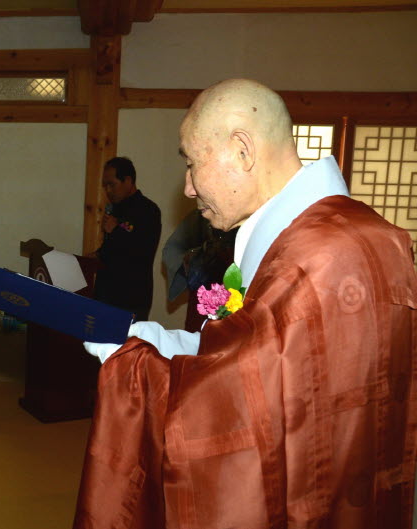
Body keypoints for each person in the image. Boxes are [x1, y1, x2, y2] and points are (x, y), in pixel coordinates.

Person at [76, 79, 417, 528]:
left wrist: (133, 366)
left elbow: (239, 406)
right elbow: (254, 364)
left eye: (192, 163)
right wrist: (144, 338)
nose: (188, 187)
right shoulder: (322, 235)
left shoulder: (323, 254)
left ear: (242, 150)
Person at [91, 157, 161, 321]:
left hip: (131, 298)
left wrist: (116, 230)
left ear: (128, 181)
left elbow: (143, 250)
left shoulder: (148, 210)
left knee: (128, 339)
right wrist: (95, 256)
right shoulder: (114, 209)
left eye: (112, 184)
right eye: (105, 186)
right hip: (105, 295)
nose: (108, 190)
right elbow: (111, 249)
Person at [162, 208, 238, 332]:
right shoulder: (202, 214)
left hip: (242, 303)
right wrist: (193, 262)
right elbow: (173, 250)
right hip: (206, 295)